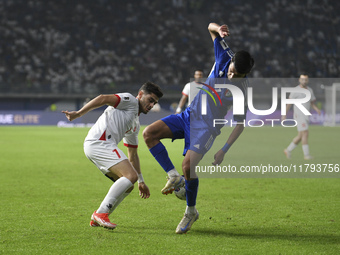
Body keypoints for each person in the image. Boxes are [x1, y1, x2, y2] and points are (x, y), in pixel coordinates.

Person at [143, 23, 254, 234]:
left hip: (207, 128)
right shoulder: (224, 55)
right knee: (149, 134)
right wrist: (218, 30)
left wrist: (224, 149)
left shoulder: (242, 91)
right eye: (231, 72)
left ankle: (190, 211)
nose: (231, 77)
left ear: (245, 75)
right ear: (230, 62)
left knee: (189, 167)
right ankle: (173, 176)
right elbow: (210, 27)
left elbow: (240, 124)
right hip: (189, 115)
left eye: (237, 76)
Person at [62, 81, 163, 229]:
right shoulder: (129, 101)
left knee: (128, 185)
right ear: (140, 95)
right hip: (99, 142)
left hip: (100, 146)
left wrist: (141, 181)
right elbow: (103, 98)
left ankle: (99, 216)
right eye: (150, 100)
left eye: (154, 103)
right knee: (130, 176)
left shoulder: (135, 123)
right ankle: (101, 213)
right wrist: (78, 113)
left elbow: (132, 154)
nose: (152, 105)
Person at [282, 74, 321, 160]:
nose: (304, 81)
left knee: (300, 136)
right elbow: (289, 103)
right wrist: (284, 114)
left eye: (306, 80)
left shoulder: (310, 90)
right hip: (299, 115)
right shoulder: (296, 90)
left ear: (308, 80)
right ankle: (306, 155)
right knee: (305, 133)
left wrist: (316, 109)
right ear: (299, 80)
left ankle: (288, 150)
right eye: (302, 79)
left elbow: (311, 103)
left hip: (306, 115)